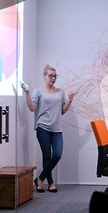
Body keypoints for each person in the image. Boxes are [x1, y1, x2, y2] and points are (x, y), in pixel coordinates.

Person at [22, 64, 76, 193]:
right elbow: (32, 108)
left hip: (57, 128)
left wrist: (70, 100)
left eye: (55, 76)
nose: (53, 78)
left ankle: (40, 179)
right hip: (43, 127)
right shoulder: (38, 92)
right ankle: (50, 183)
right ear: (44, 76)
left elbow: (62, 111)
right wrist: (27, 93)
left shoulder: (60, 92)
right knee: (47, 155)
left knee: (56, 155)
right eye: (50, 76)